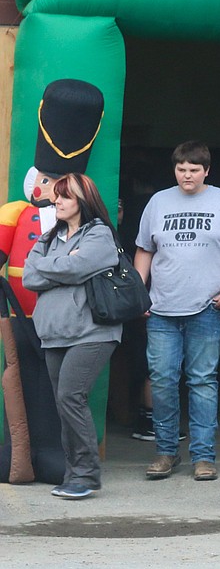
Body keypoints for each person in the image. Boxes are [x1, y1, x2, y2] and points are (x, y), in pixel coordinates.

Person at [135, 141, 220, 482]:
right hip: (162, 307)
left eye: (193, 169)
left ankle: (203, 456)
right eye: (181, 169)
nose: (186, 175)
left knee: (202, 380)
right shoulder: (158, 201)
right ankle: (165, 452)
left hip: (209, 305)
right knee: (162, 380)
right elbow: (144, 250)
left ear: (207, 170)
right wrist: (139, 293)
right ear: (174, 169)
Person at [23, 173, 121, 499]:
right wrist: (64, 263)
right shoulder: (49, 238)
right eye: (57, 196)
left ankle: (86, 474)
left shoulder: (100, 234)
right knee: (64, 403)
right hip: (53, 333)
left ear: (82, 200)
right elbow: (28, 276)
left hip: (93, 332)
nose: (56, 201)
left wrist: (55, 267)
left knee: (70, 396)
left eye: (64, 196)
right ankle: (73, 473)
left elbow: (75, 270)